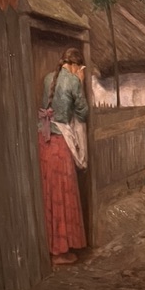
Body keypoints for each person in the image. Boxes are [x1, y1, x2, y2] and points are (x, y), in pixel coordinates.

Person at [37, 46, 89, 265]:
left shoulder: (48, 78)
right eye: (79, 68)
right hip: (59, 144)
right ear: (75, 65)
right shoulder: (74, 81)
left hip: (44, 141)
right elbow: (83, 112)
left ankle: (52, 248)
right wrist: (80, 83)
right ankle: (60, 252)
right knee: (63, 195)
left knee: (50, 195)